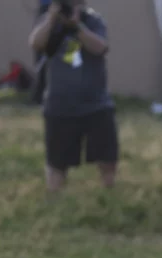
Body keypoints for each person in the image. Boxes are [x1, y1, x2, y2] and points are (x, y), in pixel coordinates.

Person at [29, 0, 119, 192]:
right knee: (57, 164)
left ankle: (109, 200)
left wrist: (77, 27)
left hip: (96, 105)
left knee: (107, 160)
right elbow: (36, 43)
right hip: (59, 106)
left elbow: (100, 48)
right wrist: (52, 19)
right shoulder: (49, 22)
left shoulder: (94, 21)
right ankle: (55, 204)